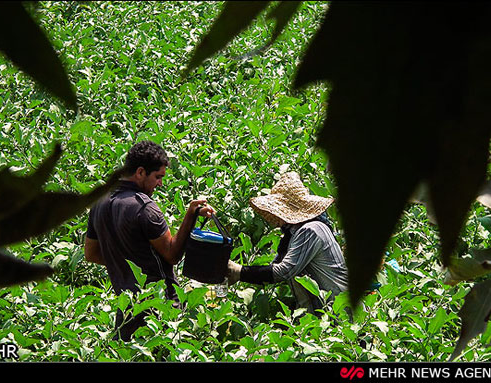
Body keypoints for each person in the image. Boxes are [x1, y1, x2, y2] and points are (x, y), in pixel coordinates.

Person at [84, 140, 214, 341]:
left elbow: (91, 254)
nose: (160, 183)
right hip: (159, 308)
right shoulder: (144, 208)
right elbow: (172, 255)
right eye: (157, 177)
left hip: (126, 311)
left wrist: (124, 260)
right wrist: (191, 214)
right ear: (140, 172)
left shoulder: (99, 202)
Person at [227, 171, 348, 315]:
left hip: (338, 317)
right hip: (318, 316)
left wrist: (239, 272)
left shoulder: (310, 230)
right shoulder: (294, 233)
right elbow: (274, 266)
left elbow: (283, 271)